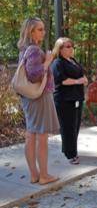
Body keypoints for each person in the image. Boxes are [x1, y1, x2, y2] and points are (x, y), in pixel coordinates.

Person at [17, 17, 59, 185]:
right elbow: (35, 75)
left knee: (31, 134)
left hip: (29, 97)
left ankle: (34, 175)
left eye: (43, 28)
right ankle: (44, 175)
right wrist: (48, 62)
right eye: (40, 29)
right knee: (41, 136)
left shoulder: (24, 49)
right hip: (39, 97)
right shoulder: (34, 50)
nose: (44, 31)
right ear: (31, 31)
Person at [51, 37, 88, 165]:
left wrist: (84, 79)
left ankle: (71, 150)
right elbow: (61, 80)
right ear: (60, 49)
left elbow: (80, 74)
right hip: (64, 100)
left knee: (75, 126)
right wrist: (78, 81)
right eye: (68, 46)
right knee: (67, 127)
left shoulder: (72, 60)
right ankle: (70, 154)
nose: (71, 48)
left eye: (72, 46)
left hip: (77, 98)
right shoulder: (57, 63)